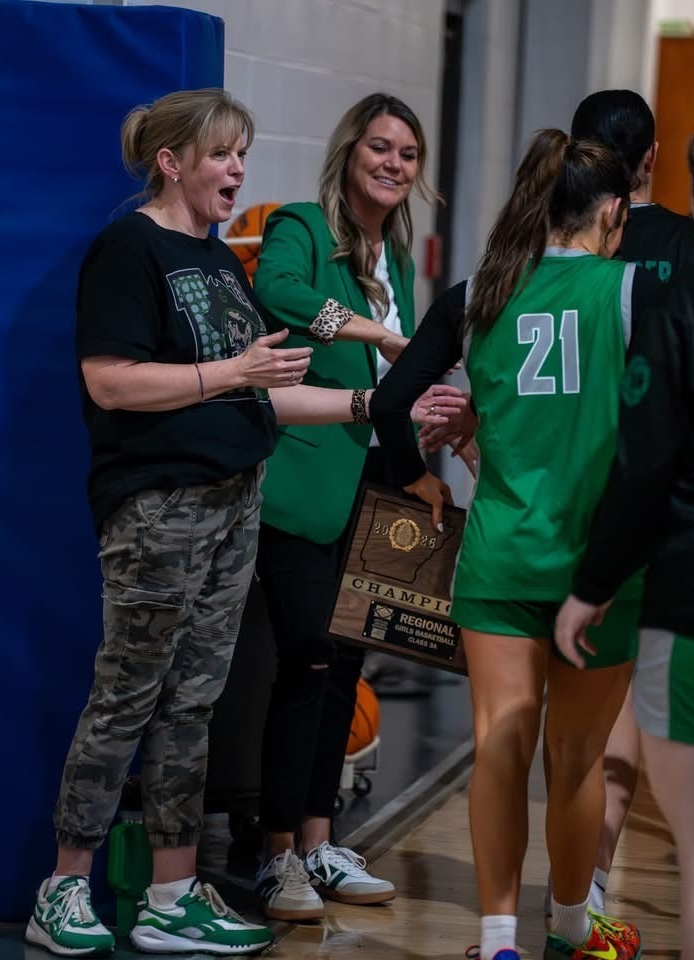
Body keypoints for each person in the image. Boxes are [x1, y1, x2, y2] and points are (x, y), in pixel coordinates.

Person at [25, 87, 460, 960]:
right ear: (172, 161)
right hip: (158, 508)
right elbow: (111, 381)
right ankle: (64, 885)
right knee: (127, 698)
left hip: (233, 502)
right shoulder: (129, 248)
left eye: (243, 155)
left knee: (194, 705)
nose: (238, 172)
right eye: (224, 155)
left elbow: (268, 388)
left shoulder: (222, 263)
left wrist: (373, 401)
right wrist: (229, 372)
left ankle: (173, 893)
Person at [370, 130, 663, 960]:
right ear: (613, 212)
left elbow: (394, 401)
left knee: (499, 741)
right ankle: (571, 927)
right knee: (575, 761)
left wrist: (417, 477)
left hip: (499, 557)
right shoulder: (636, 291)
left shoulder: (479, 294)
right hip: (600, 569)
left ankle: (499, 940)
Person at [251, 92, 442, 921]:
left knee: (348, 665)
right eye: (381, 147)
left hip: (376, 483)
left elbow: (394, 394)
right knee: (308, 658)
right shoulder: (302, 225)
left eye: (408, 153)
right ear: (350, 152)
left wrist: (422, 467)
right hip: (304, 479)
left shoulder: (394, 255)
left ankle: (321, 841)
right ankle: (275, 853)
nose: (394, 163)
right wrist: (381, 335)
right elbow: (283, 295)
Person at [556, 105, 694, 960]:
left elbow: (645, 464)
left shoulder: (689, 301)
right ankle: (585, 898)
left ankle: (583, 898)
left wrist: (590, 587)